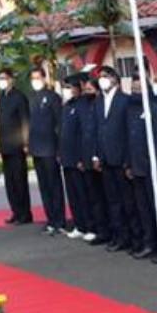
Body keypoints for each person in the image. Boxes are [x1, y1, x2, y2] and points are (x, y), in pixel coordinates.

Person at [125, 73, 157, 263]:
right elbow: (129, 139)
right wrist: (129, 164)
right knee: (143, 209)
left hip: (152, 168)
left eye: (139, 89)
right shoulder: (131, 110)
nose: (135, 92)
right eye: (133, 89)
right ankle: (149, 243)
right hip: (137, 167)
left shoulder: (155, 108)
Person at [94, 65, 140, 252]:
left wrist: (128, 160)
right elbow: (98, 130)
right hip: (105, 159)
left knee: (128, 201)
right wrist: (96, 155)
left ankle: (135, 239)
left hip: (121, 159)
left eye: (105, 76)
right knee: (113, 201)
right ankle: (119, 236)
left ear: (114, 78)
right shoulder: (99, 102)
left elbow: (129, 132)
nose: (102, 80)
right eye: (100, 77)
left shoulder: (125, 100)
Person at [28, 66, 66, 235]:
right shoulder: (31, 98)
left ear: (44, 78)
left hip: (50, 148)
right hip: (36, 148)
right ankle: (50, 219)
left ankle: (60, 221)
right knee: (43, 186)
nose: (35, 81)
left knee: (54, 185)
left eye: (38, 77)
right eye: (33, 78)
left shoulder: (52, 97)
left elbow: (59, 123)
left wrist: (59, 149)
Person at [0, 68, 32, 225]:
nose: (1, 81)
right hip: (5, 145)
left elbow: (25, 120)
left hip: (17, 145)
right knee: (10, 182)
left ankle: (25, 213)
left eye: (4, 78)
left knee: (19, 180)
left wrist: (26, 142)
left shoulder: (19, 97)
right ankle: (16, 211)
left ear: (11, 79)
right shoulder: (1, 97)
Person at [59, 75, 92, 240]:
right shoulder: (66, 106)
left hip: (77, 158)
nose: (66, 90)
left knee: (83, 194)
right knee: (72, 195)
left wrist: (81, 157)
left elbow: (84, 133)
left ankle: (89, 226)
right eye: (64, 87)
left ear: (78, 87)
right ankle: (79, 225)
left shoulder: (82, 105)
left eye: (69, 87)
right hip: (67, 158)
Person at [79, 76, 110, 244]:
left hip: (100, 158)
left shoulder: (101, 104)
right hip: (87, 158)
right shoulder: (84, 105)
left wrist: (96, 156)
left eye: (90, 90)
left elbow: (100, 133)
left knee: (105, 197)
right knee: (94, 198)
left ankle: (109, 230)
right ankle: (100, 229)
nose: (86, 93)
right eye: (85, 90)